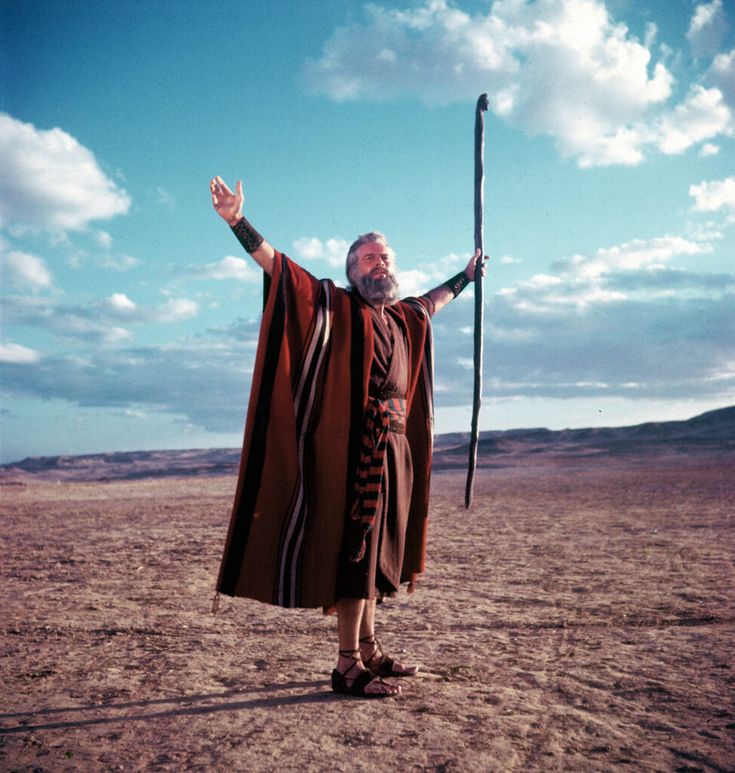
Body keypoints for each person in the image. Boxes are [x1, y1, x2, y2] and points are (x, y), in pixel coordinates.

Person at [210, 176, 486, 698]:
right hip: (358, 452)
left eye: (384, 258)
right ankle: (346, 665)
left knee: (383, 552)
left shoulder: (405, 319)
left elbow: (436, 300)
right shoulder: (338, 307)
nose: (379, 265)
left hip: (397, 451)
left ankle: (371, 649)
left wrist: (466, 276)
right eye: (368, 260)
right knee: (356, 554)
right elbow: (282, 272)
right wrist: (237, 223)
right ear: (351, 273)